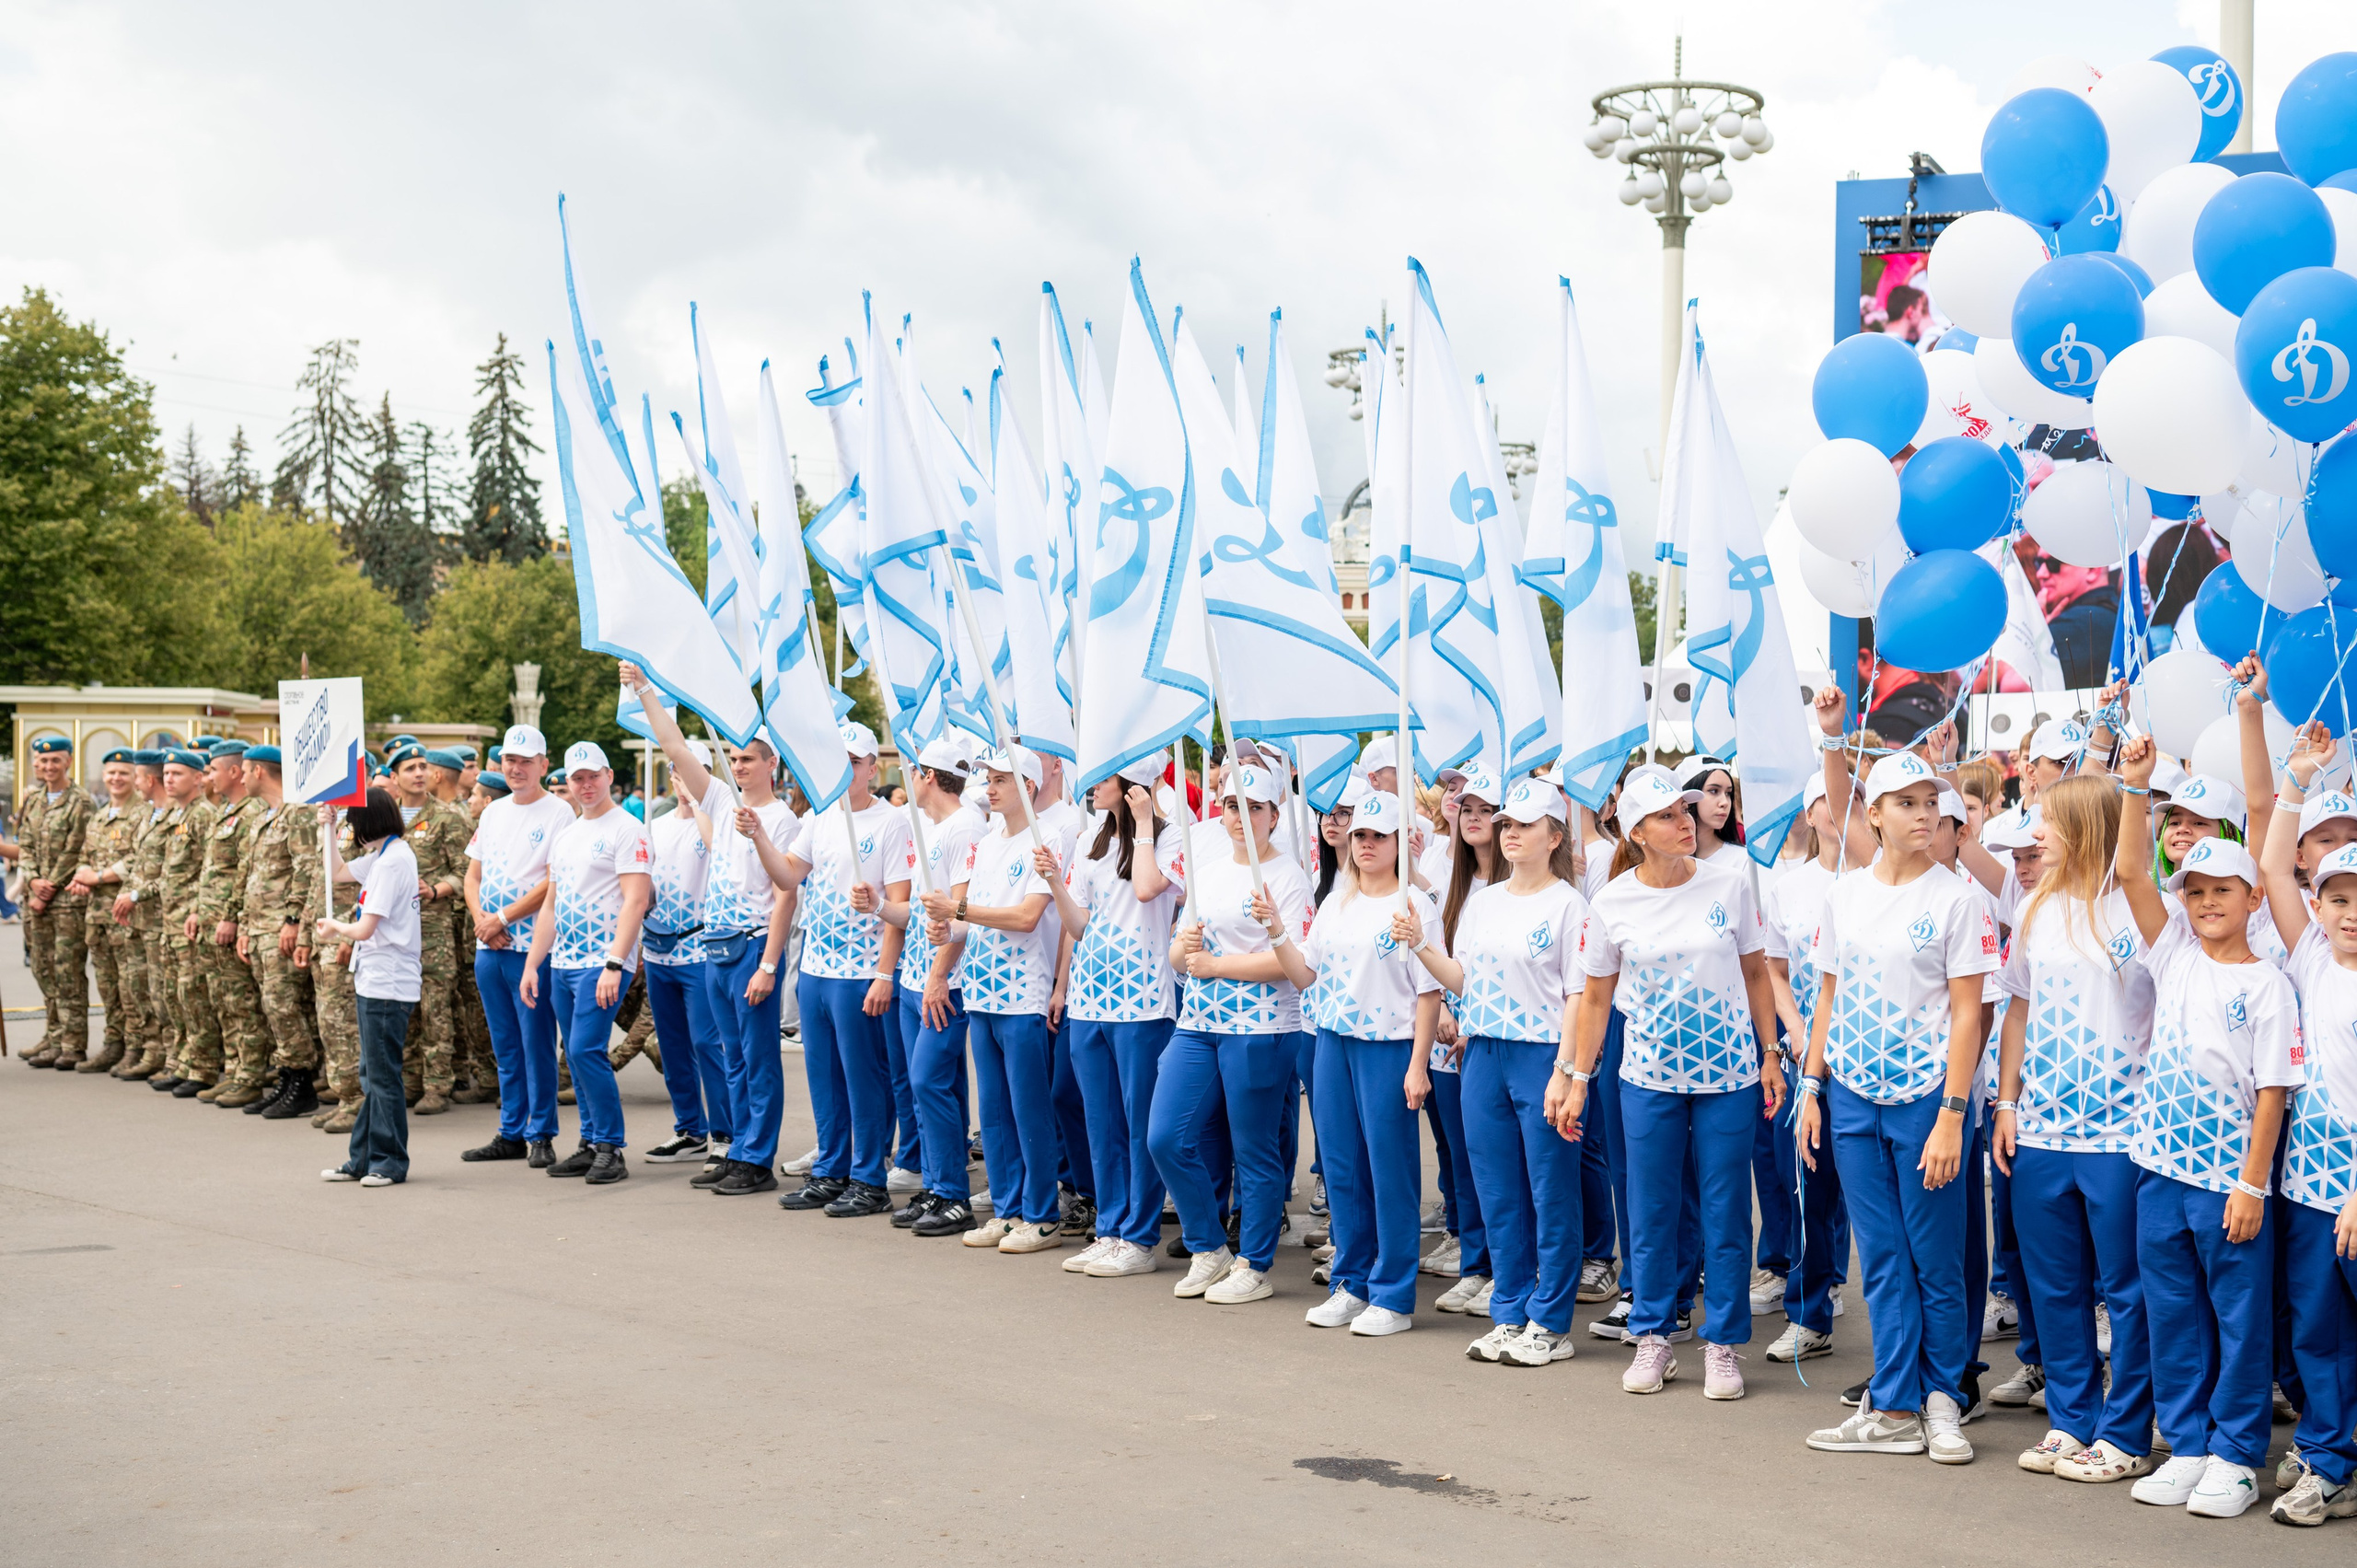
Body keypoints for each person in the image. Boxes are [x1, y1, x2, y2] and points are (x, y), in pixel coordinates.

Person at [2106, 736, 2302, 1518]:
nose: (2209, 901)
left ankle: (2236, 1453)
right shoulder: (2174, 952)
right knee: (2172, 1312)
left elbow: (2273, 1095)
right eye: (2196, 891)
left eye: (2226, 889)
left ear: (2255, 898)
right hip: (2158, 1171)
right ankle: (2187, 1444)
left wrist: (2253, 1182)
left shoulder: (2267, 983)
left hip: (2229, 1184)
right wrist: (2135, 786)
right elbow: (2128, 871)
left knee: (2240, 1316)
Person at [1800, 745, 2000, 1464]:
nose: (1924, 814)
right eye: (1907, 803)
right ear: (1874, 814)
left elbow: (1968, 1016)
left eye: (1931, 802)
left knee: (1936, 1257)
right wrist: (1812, 1087)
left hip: (1926, 1101)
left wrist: (1953, 1112)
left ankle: (1943, 1400)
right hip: (1852, 1095)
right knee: (1882, 1256)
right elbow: (1828, 993)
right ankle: (1893, 1404)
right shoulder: (1844, 892)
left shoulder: (1959, 897)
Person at [1563, 771, 1778, 1397]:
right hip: (1648, 1076)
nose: (1685, 820)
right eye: (1666, 815)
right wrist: (1577, 1078)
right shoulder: (1612, 902)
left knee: (1726, 1208)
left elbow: (1757, 973)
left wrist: (1770, 1052)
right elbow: (1596, 997)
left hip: (1730, 1073)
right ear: (1636, 832)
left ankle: (1724, 1344)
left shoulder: (1731, 882)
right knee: (1651, 1207)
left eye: (1686, 810)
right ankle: (1654, 1334)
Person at [1991, 774, 2158, 1483]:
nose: (2037, 837)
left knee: (2127, 1288)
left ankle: (2127, 1430)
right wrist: (2006, 1101)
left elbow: (2135, 860)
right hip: (2042, 1130)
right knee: (2055, 1286)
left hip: (2121, 1134)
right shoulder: (2034, 905)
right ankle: (2070, 1420)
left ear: (2085, 827)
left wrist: (2137, 786)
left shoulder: (2140, 910)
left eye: (2049, 824)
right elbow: (2018, 1012)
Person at [622, 668, 801, 1198]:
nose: (740, 765)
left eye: (750, 758)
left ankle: (758, 1158)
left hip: (750, 946)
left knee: (759, 1056)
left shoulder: (781, 818)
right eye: (735, 758)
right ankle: (740, 1148)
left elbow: (784, 893)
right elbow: (675, 748)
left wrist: (769, 964)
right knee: (731, 1055)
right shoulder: (721, 801)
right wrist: (645, 690)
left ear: (772, 764)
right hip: (715, 945)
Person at [1271, 789, 1437, 1333]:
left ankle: (1392, 1294)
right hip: (1331, 1043)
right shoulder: (1335, 902)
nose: (1366, 845)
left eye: (1378, 836)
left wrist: (1417, 1065)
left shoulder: (1415, 905)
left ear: (1398, 842)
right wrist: (1276, 931)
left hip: (1387, 1048)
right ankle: (1352, 1281)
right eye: (1360, 836)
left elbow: (1428, 993)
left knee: (1389, 1171)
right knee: (1342, 1167)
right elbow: (1307, 976)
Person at [1155, 763, 1316, 1302]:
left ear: (1273, 815)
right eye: (1231, 806)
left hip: (1262, 1027)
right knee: (1166, 1137)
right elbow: (1180, 954)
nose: (1241, 817)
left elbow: (1291, 962)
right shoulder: (1211, 870)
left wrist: (1218, 964)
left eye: (1254, 808)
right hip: (1198, 1023)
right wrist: (1191, 945)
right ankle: (1208, 1248)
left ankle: (1256, 1263)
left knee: (1254, 1151)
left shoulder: (1289, 877)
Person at [753, 722, 911, 1217]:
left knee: (863, 1078)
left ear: (870, 768)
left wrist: (884, 975)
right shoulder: (820, 817)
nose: (845, 770)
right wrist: (759, 836)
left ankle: (869, 1178)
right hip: (817, 969)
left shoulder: (892, 823)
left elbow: (900, 904)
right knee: (823, 1077)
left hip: (860, 971)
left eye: (854, 761)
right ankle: (832, 1169)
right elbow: (786, 876)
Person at [1039, 758, 1183, 1278]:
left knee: (1137, 1118)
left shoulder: (1167, 836)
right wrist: (1055, 881)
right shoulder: (1089, 837)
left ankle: (1140, 1237)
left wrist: (1143, 821)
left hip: (1142, 1000)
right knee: (1101, 1120)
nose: (1092, 785)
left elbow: (1147, 890)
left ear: (1132, 783)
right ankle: (1112, 1228)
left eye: (1105, 776)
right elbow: (1078, 923)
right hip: (1091, 997)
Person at [2264, 736, 2357, 1526]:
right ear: (2318, 904)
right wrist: (2294, 779)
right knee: (2317, 1329)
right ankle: (2331, 1460)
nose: (2351, 915)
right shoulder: (2309, 959)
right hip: (2308, 1189)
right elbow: (2268, 869)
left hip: (2355, 1190)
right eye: (2339, 900)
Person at [923, 746, 1065, 1251]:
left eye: (1000, 780)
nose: (989, 787)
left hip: (1023, 992)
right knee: (996, 1110)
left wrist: (960, 908)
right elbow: (967, 916)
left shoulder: (1044, 839)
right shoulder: (985, 841)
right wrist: (947, 928)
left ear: (1027, 786)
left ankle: (1042, 1214)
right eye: (987, 778)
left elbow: (1027, 916)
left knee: (1030, 1108)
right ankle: (1007, 1211)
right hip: (981, 990)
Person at [1759, 772, 1870, 1365]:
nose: (1839, 809)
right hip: (1809, 1055)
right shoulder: (1788, 888)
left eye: (1851, 797)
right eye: (1827, 800)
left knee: (1858, 1188)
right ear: (1809, 813)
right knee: (1803, 1181)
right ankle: (1809, 1313)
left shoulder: (1877, 881)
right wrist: (1798, 1033)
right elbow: (1775, 969)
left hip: (1873, 1057)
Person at [518, 742, 653, 1186]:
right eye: (577, 778)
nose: (585, 785)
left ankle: (611, 1148)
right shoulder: (567, 834)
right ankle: (590, 1142)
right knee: (573, 1057)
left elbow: (636, 899)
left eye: (593, 775)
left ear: (610, 776)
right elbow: (551, 907)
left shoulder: (627, 829)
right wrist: (534, 964)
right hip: (564, 963)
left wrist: (616, 962)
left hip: (601, 962)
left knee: (585, 1050)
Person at [879, 736, 990, 1236]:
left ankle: (952, 1194)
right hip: (917, 976)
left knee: (929, 1080)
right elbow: (921, 911)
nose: (907, 776)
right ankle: (939, 1182)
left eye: (913, 769)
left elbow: (962, 915)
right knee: (926, 1084)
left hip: (947, 981)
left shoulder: (966, 825)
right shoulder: (928, 826)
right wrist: (878, 907)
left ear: (929, 775)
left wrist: (940, 975)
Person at [459, 726, 575, 1168]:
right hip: (491, 948)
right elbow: (473, 876)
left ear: (544, 765)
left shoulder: (559, 813)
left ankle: (540, 1132)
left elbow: (554, 880)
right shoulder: (493, 812)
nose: (517, 768)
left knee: (537, 1043)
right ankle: (511, 1130)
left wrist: (503, 918)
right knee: (505, 1044)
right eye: (510, 760)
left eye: (526, 761)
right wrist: (482, 922)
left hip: (532, 950)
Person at [1425, 765, 1506, 1318]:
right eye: (1467, 810)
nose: (1474, 820)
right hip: (1446, 1036)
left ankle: (1504, 1268)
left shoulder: (1515, 882)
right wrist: (1445, 1016)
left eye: (1486, 812)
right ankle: (1476, 1264)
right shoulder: (1450, 883)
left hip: (1491, 1036)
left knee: (1497, 1163)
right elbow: (1438, 959)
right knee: (1461, 1152)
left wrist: (1470, 1021)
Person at [316, 788, 422, 1188]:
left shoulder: (393, 861)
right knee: (372, 1073)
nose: (351, 830)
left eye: (352, 823)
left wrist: (335, 928)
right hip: (376, 977)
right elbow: (338, 872)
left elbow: (364, 927)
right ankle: (362, 1158)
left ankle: (390, 1161)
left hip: (388, 980)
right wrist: (326, 831)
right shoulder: (384, 855)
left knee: (382, 1076)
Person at [635, 737, 730, 1169]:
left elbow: (720, 855)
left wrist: (699, 804)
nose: (682, 780)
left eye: (691, 771)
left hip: (697, 948)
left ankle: (724, 1133)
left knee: (707, 1042)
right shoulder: (656, 824)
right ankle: (689, 1128)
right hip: (658, 948)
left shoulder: (715, 822)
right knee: (672, 1044)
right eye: (676, 771)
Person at [228, 746, 323, 1120]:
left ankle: (300, 1080)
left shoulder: (297, 813)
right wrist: (245, 926)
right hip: (260, 926)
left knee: (285, 1006)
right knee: (272, 1006)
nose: (242, 778)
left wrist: (293, 920)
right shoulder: (262, 817)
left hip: (280, 927)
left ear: (259, 773)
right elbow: (253, 876)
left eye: (245, 771)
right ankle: (286, 1077)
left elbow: (305, 869)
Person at [63, 749, 142, 1075]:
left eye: (123, 773)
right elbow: (85, 854)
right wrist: (83, 876)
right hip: (97, 914)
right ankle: (114, 1043)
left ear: (135, 777)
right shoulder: (99, 816)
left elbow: (140, 859)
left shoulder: (143, 814)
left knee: (132, 984)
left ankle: (137, 1046)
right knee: (108, 985)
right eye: (111, 773)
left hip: (127, 915)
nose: (116, 779)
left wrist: (97, 877)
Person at [19, 736, 92, 1067]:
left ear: (68, 762)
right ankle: (53, 1035)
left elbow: (77, 849)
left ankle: (72, 1043)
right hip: (36, 898)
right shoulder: (34, 801)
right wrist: (34, 880)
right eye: (42, 761)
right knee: (42, 968)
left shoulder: (82, 802)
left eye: (55, 761)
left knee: (68, 972)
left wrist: (49, 886)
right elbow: (25, 845)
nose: (48, 766)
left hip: (66, 902)